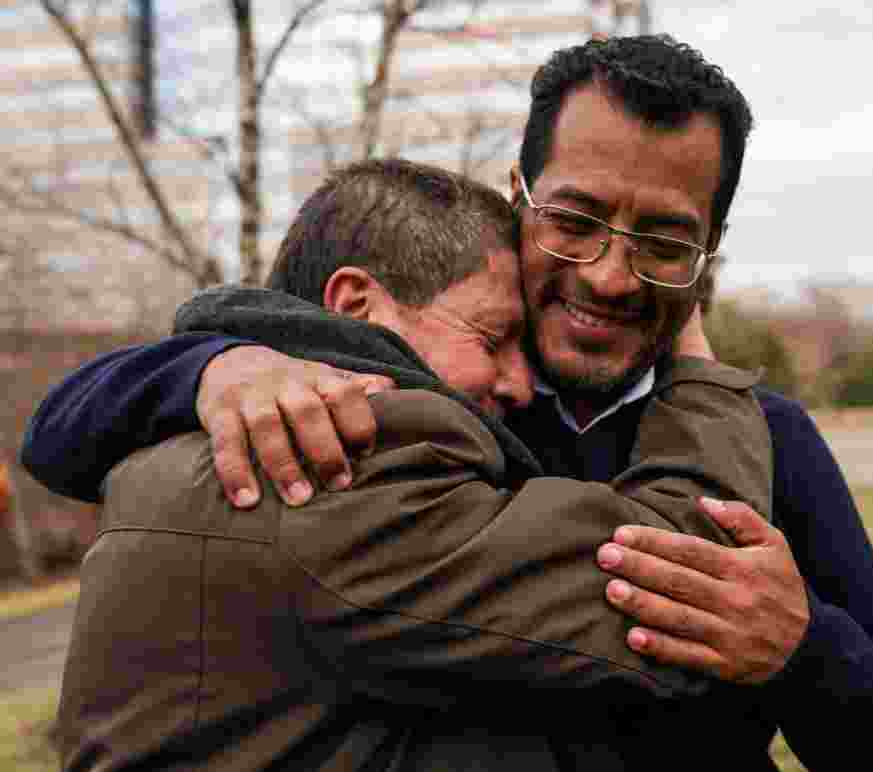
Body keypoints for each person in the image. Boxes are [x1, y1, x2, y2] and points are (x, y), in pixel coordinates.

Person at [23, 36, 873, 770]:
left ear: (712, 248)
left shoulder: (767, 435)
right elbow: (59, 439)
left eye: (665, 242)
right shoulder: (376, 404)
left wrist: (800, 645)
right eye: (576, 222)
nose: (614, 278)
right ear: (522, 199)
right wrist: (206, 367)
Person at [55, 158, 774, 770]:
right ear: (358, 306)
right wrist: (693, 356)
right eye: (494, 337)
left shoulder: (178, 431)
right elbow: (692, 582)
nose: (519, 383)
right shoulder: (336, 468)